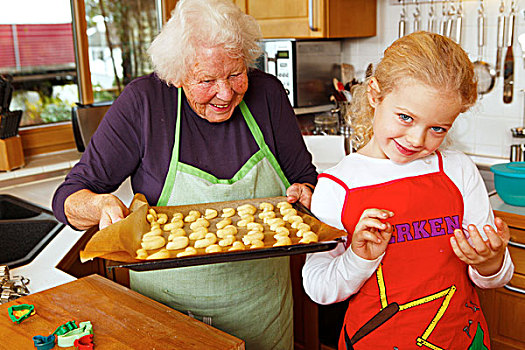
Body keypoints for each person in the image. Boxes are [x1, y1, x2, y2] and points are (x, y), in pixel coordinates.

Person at [52, 0, 318, 348]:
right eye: (207, 79)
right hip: (168, 318)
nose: (225, 93)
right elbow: (69, 195)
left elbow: (304, 177)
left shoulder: (267, 94)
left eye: (236, 74)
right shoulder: (144, 103)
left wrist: (308, 194)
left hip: (263, 312)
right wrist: (99, 206)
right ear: (176, 74)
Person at [302, 31, 514, 349]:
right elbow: (318, 287)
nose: (416, 140)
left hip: (462, 339)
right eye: (405, 117)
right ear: (375, 95)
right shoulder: (337, 186)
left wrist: (490, 261)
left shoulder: (457, 170)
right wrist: (358, 258)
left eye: (437, 129)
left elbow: (496, 278)